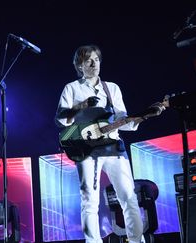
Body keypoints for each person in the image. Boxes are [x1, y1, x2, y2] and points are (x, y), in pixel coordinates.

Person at [55, 45, 164, 243]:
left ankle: (136, 240)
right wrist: (81, 106)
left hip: (113, 146)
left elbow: (124, 120)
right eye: (88, 60)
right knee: (89, 200)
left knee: (129, 197)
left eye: (96, 59)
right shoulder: (71, 88)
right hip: (86, 150)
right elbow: (60, 119)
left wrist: (144, 116)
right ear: (79, 65)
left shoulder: (111, 88)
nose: (93, 63)